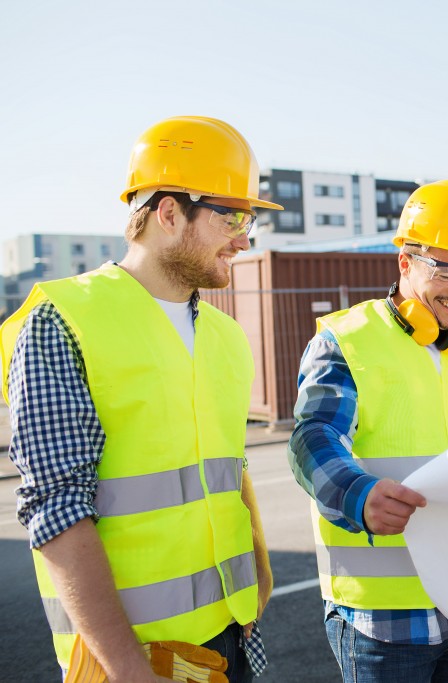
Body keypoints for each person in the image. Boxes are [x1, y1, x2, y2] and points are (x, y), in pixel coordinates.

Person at [0, 116, 279, 681]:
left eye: (249, 219)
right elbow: (57, 509)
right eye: (232, 216)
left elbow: (226, 474)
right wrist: (127, 667)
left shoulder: (223, 335)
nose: (245, 237)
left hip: (229, 639)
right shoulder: (63, 322)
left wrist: (255, 587)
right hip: (130, 661)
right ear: (169, 212)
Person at [288, 179, 448, 682]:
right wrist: (357, 495)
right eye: (445, 271)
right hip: (379, 619)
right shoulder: (346, 340)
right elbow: (311, 437)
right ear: (404, 262)